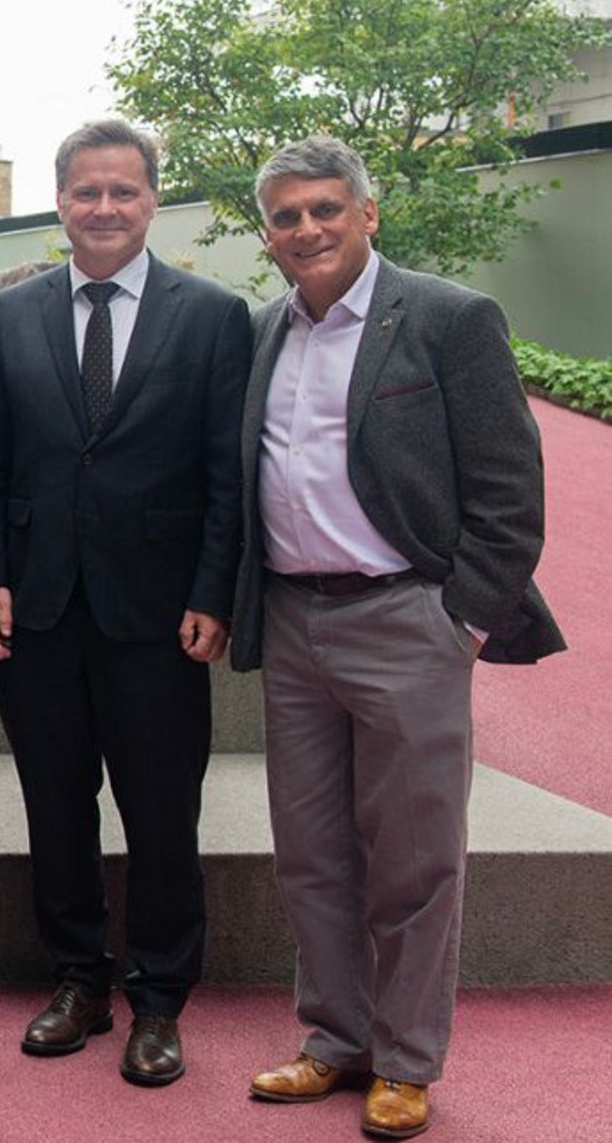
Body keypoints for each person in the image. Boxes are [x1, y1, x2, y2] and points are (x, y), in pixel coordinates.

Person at [233, 136, 563, 1140]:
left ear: (366, 214)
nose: (305, 229)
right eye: (285, 216)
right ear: (266, 234)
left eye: (324, 209)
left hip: (404, 619)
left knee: (414, 857)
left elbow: (508, 489)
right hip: (292, 623)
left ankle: (406, 1062)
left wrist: (457, 617)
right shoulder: (259, 333)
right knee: (311, 855)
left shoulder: (446, 318)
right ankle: (333, 1041)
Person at [0, 119, 248, 1086]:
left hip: (161, 617)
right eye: (86, 192)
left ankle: (160, 1002)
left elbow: (227, 475)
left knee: (163, 813)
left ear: (152, 201)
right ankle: (79, 980)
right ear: (61, 202)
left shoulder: (213, 316)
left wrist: (215, 590)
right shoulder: (11, 315)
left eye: (123, 192)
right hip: (37, 608)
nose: (105, 209)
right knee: (56, 806)